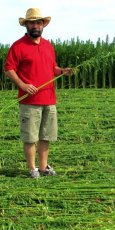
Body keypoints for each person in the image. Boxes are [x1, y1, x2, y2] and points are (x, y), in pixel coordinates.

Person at [4, 8, 73, 178]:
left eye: (38, 22)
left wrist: (62, 71)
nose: (35, 25)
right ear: (26, 25)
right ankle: (32, 169)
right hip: (29, 101)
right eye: (32, 22)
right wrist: (23, 85)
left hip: (49, 99)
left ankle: (43, 167)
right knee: (30, 137)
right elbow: (8, 69)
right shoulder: (18, 46)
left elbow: (52, 68)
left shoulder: (48, 46)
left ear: (43, 25)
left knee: (46, 135)